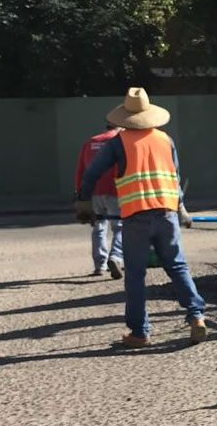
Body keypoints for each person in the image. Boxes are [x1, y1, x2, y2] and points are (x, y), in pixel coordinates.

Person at [76, 88, 207, 348]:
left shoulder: (118, 143)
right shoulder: (165, 140)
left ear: (124, 116)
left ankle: (140, 332)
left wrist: (84, 202)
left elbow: (92, 173)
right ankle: (196, 317)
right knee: (177, 266)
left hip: (137, 217)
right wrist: (181, 209)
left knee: (135, 274)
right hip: (167, 214)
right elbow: (175, 177)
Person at [75, 124, 124, 278]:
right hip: (115, 190)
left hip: (93, 192)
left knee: (98, 228)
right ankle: (115, 257)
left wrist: (80, 194)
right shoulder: (118, 142)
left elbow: (81, 170)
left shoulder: (89, 142)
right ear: (119, 128)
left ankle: (100, 265)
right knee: (120, 227)